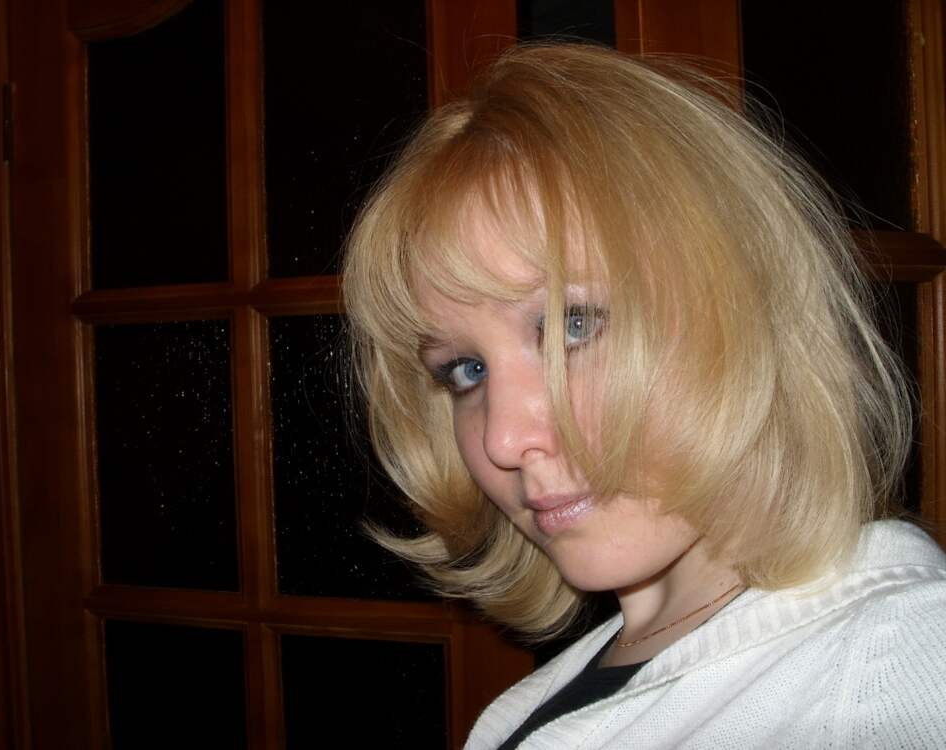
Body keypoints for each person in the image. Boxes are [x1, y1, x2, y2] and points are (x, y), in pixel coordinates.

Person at [341, 43, 946, 748]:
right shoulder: (579, 681)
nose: (504, 439)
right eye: (466, 370)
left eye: (573, 324)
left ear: (747, 307)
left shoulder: (899, 663)